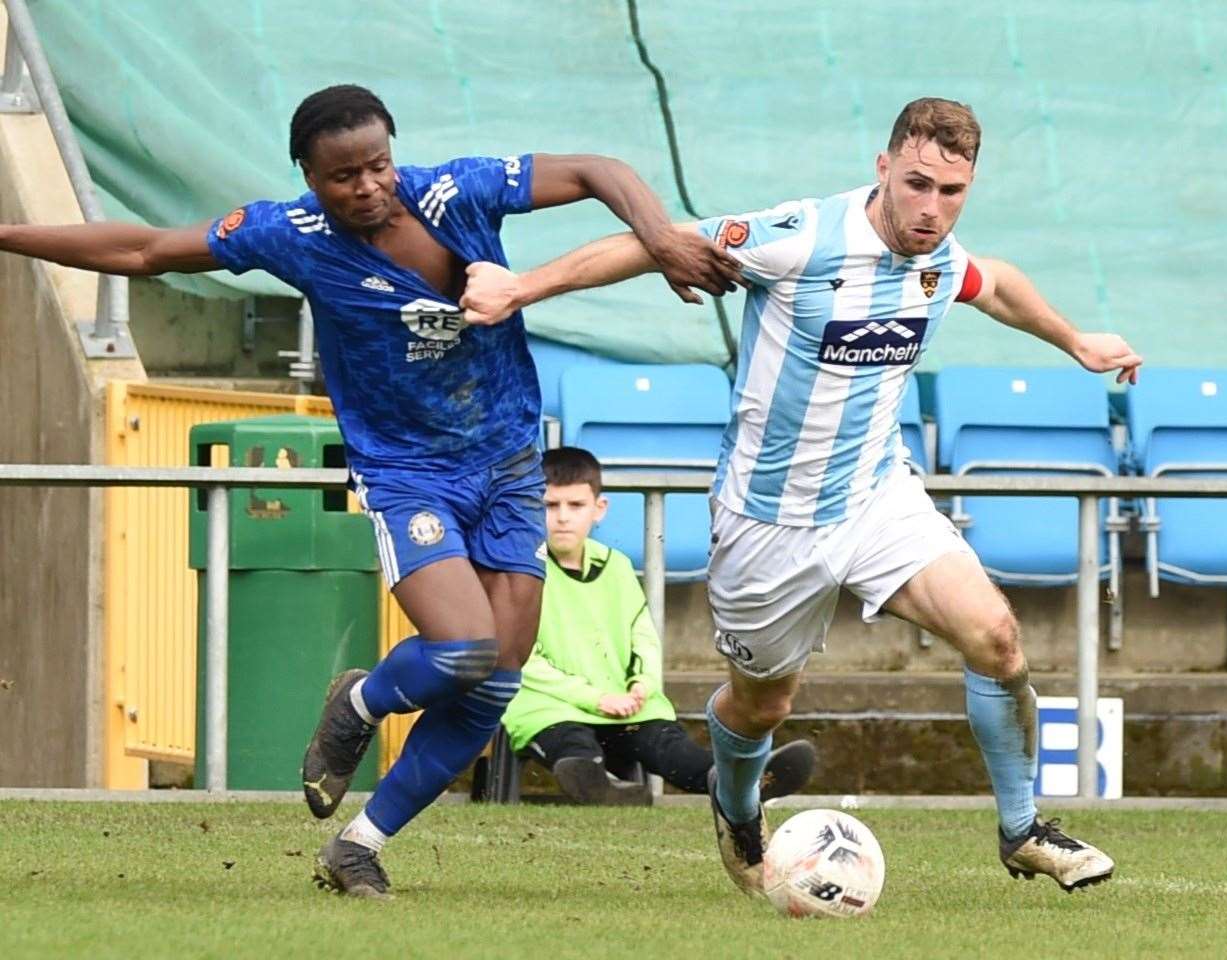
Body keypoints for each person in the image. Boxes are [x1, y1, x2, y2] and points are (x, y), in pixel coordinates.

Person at [0, 84, 742, 900]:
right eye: (343, 175)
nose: (367, 186)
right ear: (309, 179)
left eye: (379, 165)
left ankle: (358, 844)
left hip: (506, 464)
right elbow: (144, 249)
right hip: (408, 472)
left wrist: (663, 239)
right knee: (461, 651)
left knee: (496, 681)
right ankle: (359, 697)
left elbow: (600, 169)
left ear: (395, 153)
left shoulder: (458, 191)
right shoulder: (290, 234)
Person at [458, 97, 1142, 895]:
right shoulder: (805, 237)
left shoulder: (941, 256)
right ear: (883, 168)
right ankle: (735, 798)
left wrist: (1075, 338)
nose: (932, 208)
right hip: (768, 520)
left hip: (876, 496)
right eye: (917, 184)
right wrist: (521, 289)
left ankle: (1022, 830)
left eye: (951, 193)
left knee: (997, 638)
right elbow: (655, 244)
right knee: (763, 702)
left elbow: (995, 285)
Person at [502, 446, 816, 805]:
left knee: (668, 746)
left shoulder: (616, 566)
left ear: (598, 509)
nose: (561, 518)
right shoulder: (521, 568)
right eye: (550, 505)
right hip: (552, 706)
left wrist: (641, 685)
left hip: (624, 707)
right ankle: (600, 787)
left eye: (574, 506)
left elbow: (643, 637)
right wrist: (596, 698)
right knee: (573, 745)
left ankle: (740, 781)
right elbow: (521, 656)